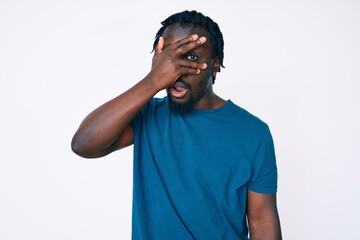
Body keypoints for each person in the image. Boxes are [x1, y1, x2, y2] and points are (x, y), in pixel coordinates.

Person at [71, 10, 282, 240]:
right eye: (169, 58)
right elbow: (84, 143)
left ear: (215, 65)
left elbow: (262, 219)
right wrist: (153, 80)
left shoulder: (253, 133)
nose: (176, 71)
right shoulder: (146, 115)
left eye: (191, 58)